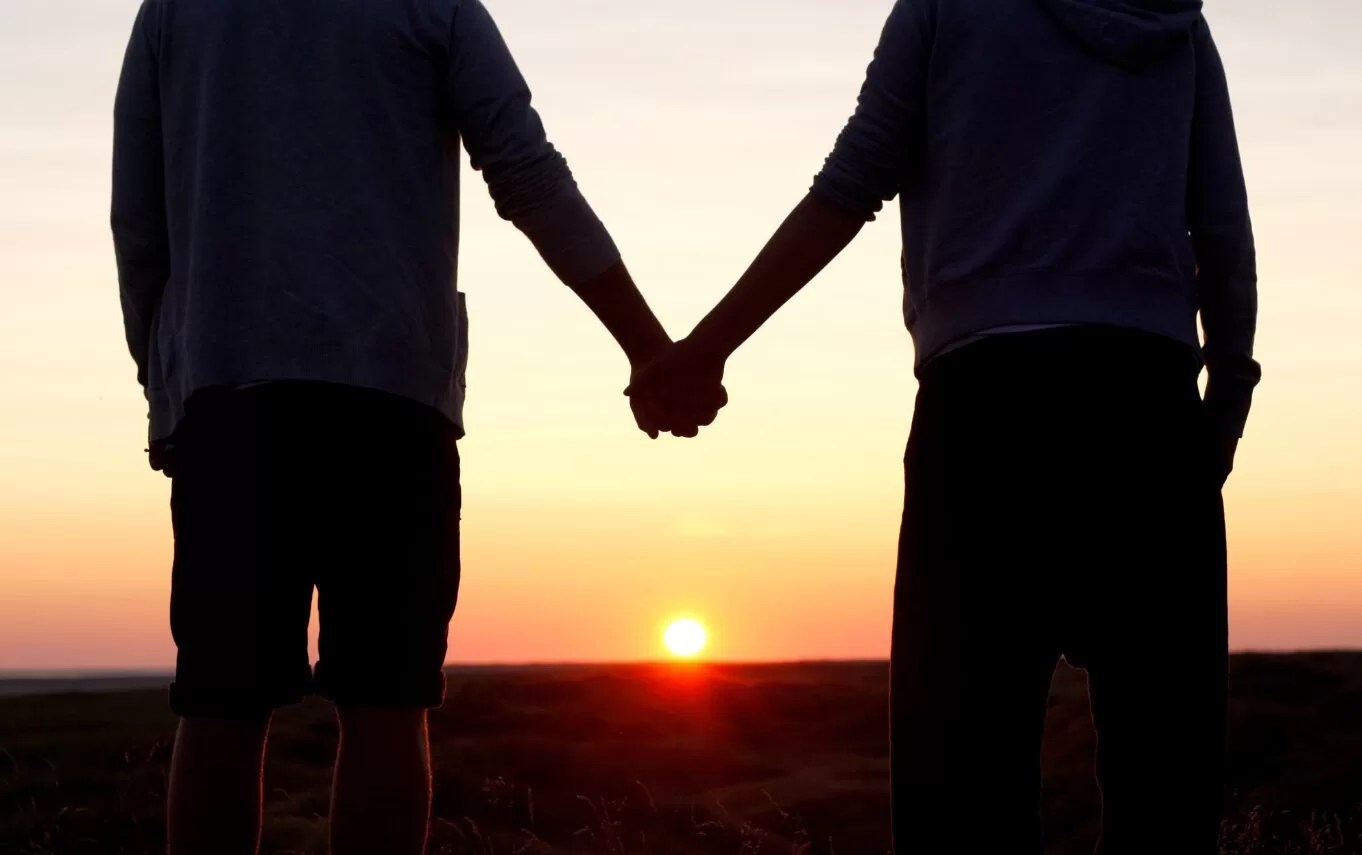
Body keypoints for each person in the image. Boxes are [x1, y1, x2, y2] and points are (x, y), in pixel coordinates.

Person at [630, 0, 1259, 851]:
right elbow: (1221, 228)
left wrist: (703, 350)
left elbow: (849, 185)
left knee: (960, 795)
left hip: (985, 416)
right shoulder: (1171, 18)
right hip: (1147, 413)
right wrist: (1224, 400)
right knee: (1167, 793)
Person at [111, 1, 718, 853]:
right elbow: (528, 172)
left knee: (220, 705)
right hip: (390, 406)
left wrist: (165, 383)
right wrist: (650, 347)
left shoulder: (176, 11)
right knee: (387, 706)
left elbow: (139, 219)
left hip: (232, 400)